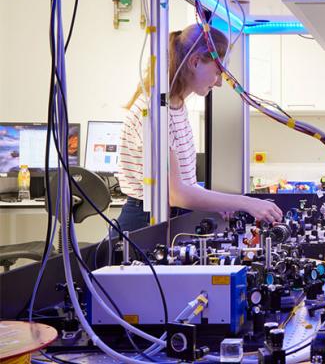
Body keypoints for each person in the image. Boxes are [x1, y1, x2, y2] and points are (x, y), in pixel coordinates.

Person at [116, 24, 282, 232]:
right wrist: (247, 203)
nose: (219, 83)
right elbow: (176, 194)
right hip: (143, 224)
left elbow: (187, 184)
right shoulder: (154, 112)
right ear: (195, 62)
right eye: (217, 72)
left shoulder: (176, 106)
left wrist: (219, 203)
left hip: (169, 219)